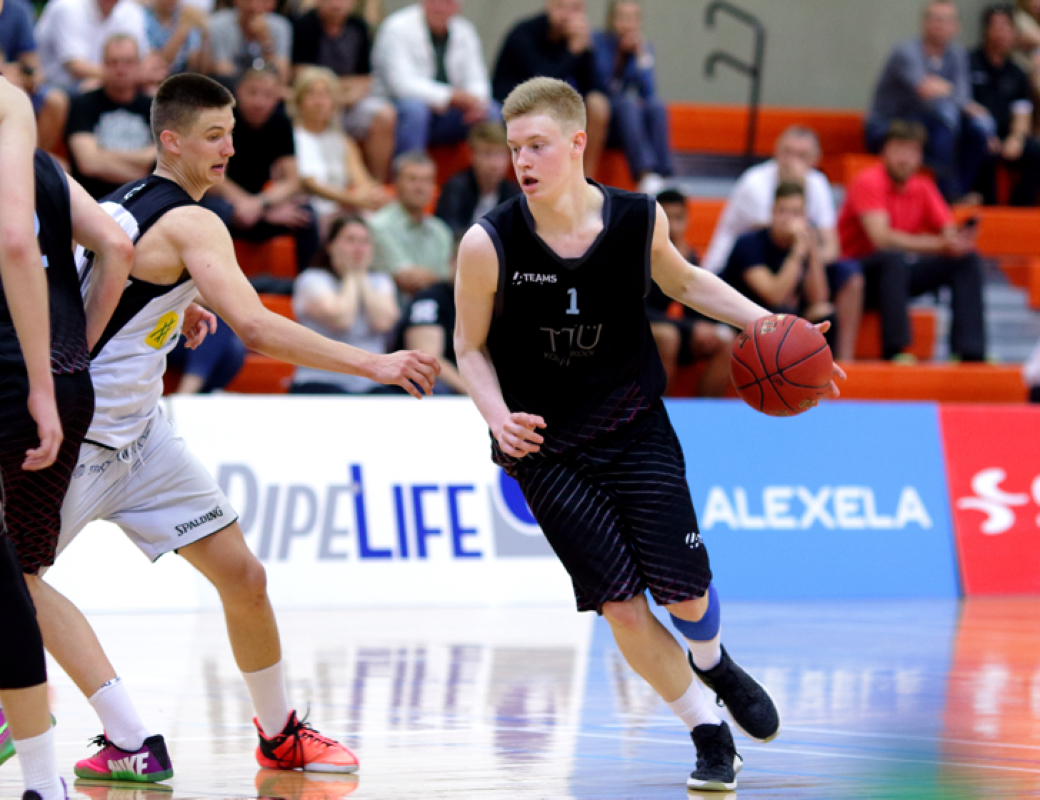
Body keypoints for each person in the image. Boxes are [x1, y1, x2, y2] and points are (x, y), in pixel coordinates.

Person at [24, 73, 437, 784]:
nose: (229, 148)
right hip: (86, 437)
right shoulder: (195, 221)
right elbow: (254, 327)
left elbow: (100, 287)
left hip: (144, 435)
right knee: (15, 580)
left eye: (233, 134)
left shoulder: (123, 204)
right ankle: (126, 736)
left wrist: (172, 310)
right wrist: (374, 361)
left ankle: (279, 734)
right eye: (214, 136)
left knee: (244, 576)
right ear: (170, 140)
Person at [455, 77, 842, 791]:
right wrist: (493, 413)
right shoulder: (489, 242)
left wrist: (767, 325)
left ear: (578, 143)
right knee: (622, 608)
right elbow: (469, 345)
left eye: (537, 145)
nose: (522, 162)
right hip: (544, 448)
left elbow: (688, 283)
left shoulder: (637, 219)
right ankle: (707, 731)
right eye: (514, 149)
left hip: (633, 424)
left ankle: (714, 658)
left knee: (684, 594)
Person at [0, 77, 134, 800]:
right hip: (60, 376)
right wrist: (69, 354)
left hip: (29, 376)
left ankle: (52, 774)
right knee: (17, 578)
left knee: (12, 582)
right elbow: (116, 245)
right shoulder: (45, 163)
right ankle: (109, 742)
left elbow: (19, 242)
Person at [701, 126, 864, 362]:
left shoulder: (817, 183)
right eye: (788, 152)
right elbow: (775, 270)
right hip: (738, 273)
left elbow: (830, 249)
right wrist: (801, 250)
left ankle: (842, 365)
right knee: (784, 313)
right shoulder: (755, 183)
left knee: (828, 303)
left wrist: (809, 250)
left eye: (802, 155)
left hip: (784, 266)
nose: (793, 161)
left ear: (815, 159)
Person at [838, 120, 986, 362]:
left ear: (920, 156)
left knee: (966, 260)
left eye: (911, 151)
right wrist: (939, 244)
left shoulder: (923, 187)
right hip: (857, 275)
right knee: (892, 259)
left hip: (898, 276)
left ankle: (970, 352)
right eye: (899, 150)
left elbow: (946, 227)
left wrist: (957, 240)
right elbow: (881, 239)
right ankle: (895, 350)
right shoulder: (868, 181)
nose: (904, 159)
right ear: (885, 151)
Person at [864, 0, 990, 203]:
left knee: (978, 130)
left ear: (956, 26)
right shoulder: (906, 52)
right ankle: (945, 196)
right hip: (890, 125)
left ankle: (959, 192)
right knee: (944, 121)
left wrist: (949, 92)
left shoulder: (957, 55)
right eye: (935, 19)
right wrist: (954, 94)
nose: (939, 24)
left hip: (929, 124)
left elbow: (963, 97)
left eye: (946, 20)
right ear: (924, 23)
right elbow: (926, 90)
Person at [204, 67, 319, 277]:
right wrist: (250, 206)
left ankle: (308, 283)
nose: (259, 101)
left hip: (259, 206)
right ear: (238, 92)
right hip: (229, 203)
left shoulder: (281, 123)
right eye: (253, 92)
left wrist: (261, 205)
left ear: (276, 98)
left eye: (267, 95)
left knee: (306, 215)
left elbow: (292, 180)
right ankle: (211, 286)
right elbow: (214, 179)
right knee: (210, 212)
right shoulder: (222, 122)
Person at [492, 0, 611, 177]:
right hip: (516, 105)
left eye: (575, 9)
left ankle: (585, 177)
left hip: (553, 109)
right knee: (547, 112)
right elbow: (542, 83)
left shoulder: (576, 39)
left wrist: (588, 52)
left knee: (597, 104)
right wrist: (572, 51)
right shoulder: (524, 34)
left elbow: (597, 88)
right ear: (549, 6)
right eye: (561, 7)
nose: (567, 15)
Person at [371, 0, 498, 155]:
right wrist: (451, 96)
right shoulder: (396, 27)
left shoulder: (465, 30)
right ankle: (411, 172)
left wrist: (476, 102)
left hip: (449, 112)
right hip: (400, 107)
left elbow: (477, 77)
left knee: (492, 111)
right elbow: (401, 85)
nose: (440, 7)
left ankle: (488, 177)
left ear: (458, 6)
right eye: (435, 1)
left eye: (448, 2)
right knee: (415, 110)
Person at [290, 214, 398, 394]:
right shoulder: (312, 280)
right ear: (331, 246)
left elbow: (383, 323)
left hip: (371, 384)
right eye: (350, 240)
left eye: (365, 242)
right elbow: (342, 319)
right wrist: (351, 276)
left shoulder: (381, 281)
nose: (358, 248)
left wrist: (360, 276)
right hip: (321, 381)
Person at [292, 0, 396, 182]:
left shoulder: (359, 27)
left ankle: (377, 182)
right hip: (317, 97)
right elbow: (303, 76)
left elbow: (365, 80)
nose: (336, 4)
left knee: (385, 114)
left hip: (349, 100)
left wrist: (335, 92)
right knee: (317, 102)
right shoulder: (303, 25)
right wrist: (332, 92)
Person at [649, 189, 731, 398]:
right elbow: (634, 308)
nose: (673, 225)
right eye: (667, 218)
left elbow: (695, 305)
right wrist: (692, 327)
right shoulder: (639, 254)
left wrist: (708, 328)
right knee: (668, 337)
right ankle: (659, 415)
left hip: (670, 327)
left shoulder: (688, 255)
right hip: (637, 329)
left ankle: (704, 414)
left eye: (678, 218)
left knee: (725, 340)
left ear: (687, 220)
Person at [721, 183, 835, 333]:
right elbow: (775, 297)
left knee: (824, 313)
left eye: (795, 213)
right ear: (772, 213)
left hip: (781, 317)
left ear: (805, 217)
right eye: (782, 211)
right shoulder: (749, 244)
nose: (787, 219)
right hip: (741, 320)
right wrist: (797, 252)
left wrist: (812, 251)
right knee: (783, 313)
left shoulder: (802, 243)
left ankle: (830, 357)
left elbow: (819, 299)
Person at [292, 66, 389, 230]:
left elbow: (362, 180)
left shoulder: (342, 141)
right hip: (309, 213)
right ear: (300, 102)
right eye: (312, 94)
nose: (319, 101)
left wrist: (374, 194)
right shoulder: (292, 137)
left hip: (342, 208)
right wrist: (351, 200)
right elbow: (308, 184)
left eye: (325, 95)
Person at [592, 0, 672, 191]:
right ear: (611, 19)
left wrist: (640, 57)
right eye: (622, 17)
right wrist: (618, 54)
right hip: (607, 122)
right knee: (626, 103)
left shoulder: (643, 50)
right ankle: (644, 173)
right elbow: (601, 85)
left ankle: (663, 174)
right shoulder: (598, 43)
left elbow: (649, 92)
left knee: (657, 106)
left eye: (632, 18)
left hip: (631, 122)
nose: (627, 24)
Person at [65, 35, 155, 201]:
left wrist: (103, 156)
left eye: (128, 62)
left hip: (145, 200)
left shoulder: (154, 108)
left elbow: (163, 158)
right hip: (95, 200)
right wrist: (145, 171)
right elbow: (88, 163)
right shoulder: (82, 104)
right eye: (113, 62)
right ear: (103, 65)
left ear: (139, 65)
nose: (121, 69)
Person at [971, 3, 1040, 206]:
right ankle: (987, 205)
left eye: (1007, 27)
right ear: (986, 30)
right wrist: (986, 133)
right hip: (979, 132)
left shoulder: (1017, 72)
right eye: (997, 26)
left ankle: (1019, 209)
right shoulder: (970, 62)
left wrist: (1017, 138)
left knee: (1036, 151)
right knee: (981, 144)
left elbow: (1022, 111)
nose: (1001, 33)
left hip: (1007, 133)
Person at [370, 151, 453, 297]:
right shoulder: (380, 225)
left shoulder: (441, 230)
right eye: (412, 179)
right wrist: (442, 279)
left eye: (427, 180)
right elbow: (407, 278)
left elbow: (451, 279)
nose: (420, 187)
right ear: (396, 184)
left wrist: (444, 279)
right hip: (396, 311)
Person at [35, 0, 154, 93]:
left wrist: (130, 76)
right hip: (60, 86)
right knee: (90, 87)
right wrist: (127, 76)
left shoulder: (131, 9)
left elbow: (145, 57)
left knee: (153, 91)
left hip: (106, 81)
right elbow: (76, 67)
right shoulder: (67, 6)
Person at [0, 0, 69, 155]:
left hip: (14, 78)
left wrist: (29, 75)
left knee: (55, 100)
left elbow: (31, 60)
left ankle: (36, 163)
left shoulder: (18, 9)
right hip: (6, 79)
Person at [397, 244, 465, 394]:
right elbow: (427, 357)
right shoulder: (430, 298)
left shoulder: (493, 302)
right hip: (441, 384)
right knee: (430, 386)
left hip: (475, 383)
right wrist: (473, 392)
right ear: (452, 262)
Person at [434, 121, 520, 239]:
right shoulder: (456, 187)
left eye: (500, 155)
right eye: (487, 154)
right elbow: (447, 231)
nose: (494, 164)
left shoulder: (513, 193)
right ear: (472, 156)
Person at [209, 0, 292, 87]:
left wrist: (266, 41)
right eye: (249, 1)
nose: (254, 7)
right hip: (233, 90)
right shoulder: (218, 24)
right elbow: (223, 73)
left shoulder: (280, 27)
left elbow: (282, 78)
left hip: (265, 90)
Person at [144, 0, 211, 78]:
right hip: (159, 78)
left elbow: (197, 65)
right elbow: (161, 63)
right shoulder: (145, 18)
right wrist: (184, 28)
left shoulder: (183, 14)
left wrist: (204, 34)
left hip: (184, 75)